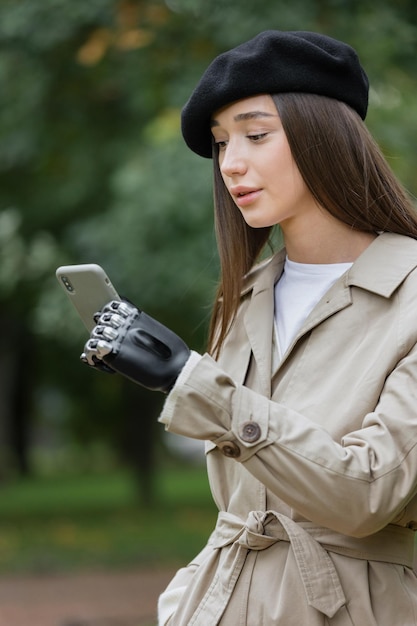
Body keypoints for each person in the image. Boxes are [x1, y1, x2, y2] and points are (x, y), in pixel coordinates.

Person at [81, 30, 417, 625]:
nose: (231, 163)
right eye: (220, 144)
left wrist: (192, 383)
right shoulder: (244, 297)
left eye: (256, 135)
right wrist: (180, 605)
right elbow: (239, 509)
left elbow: (367, 494)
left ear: (325, 135)